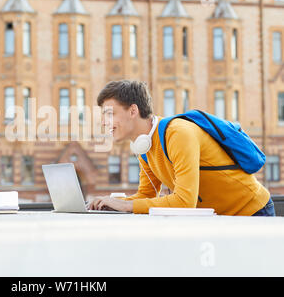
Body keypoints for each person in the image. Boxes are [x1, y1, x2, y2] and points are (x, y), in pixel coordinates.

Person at [88, 80, 275, 216]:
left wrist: (125, 206)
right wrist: (111, 203)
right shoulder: (143, 146)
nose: (104, 122)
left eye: (109, 114)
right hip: (222, 217)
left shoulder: (178, 134)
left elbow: (185, 202)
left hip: (252, 211)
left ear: (133, 111)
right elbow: (146, 195)